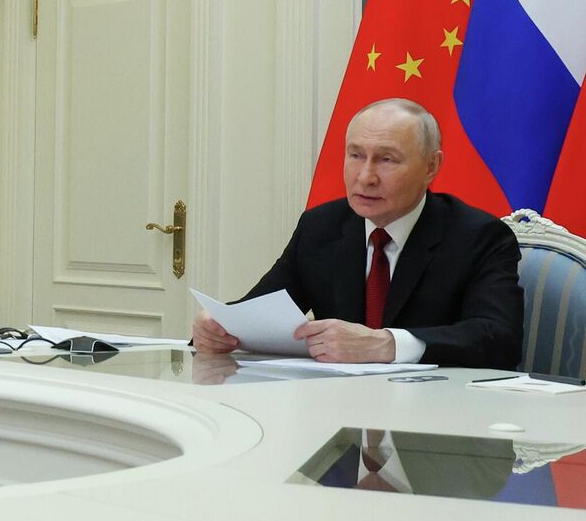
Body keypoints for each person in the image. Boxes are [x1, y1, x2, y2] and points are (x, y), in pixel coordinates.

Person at [192, 98, 522, 368]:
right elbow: (259, 312)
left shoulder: (478, 236)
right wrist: (217, 328)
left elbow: (498, 340)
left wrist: (385, 344)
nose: (365, 177)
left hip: (436, 413)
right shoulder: (321, 227)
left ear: (431, 167)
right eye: (356, 155)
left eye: (386, 160)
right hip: (335, 411)